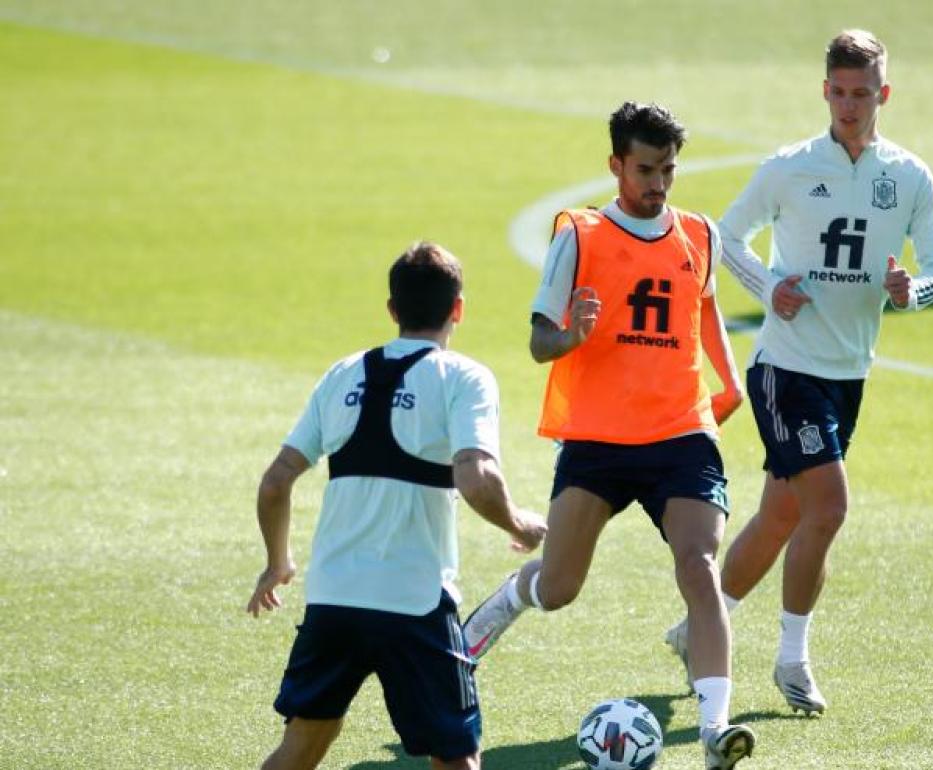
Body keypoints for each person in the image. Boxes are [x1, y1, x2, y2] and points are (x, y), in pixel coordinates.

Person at [665, 29, 933, 716]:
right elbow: (723, 236)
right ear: (824, 91)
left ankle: (695, 629)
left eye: (862, 94)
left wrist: (912, 290)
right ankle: (792, 660)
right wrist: (769, 289)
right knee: (829, 506)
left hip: (848, 372)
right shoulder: (790, 166)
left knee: (779, 516)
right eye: (839, 92)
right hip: (784, 368)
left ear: (883, 95)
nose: (849, 106)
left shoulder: (909, 177)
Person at [461, 101, 756, 770]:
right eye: (645, 170)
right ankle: (492, 614)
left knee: (699, 565)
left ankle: (716, 730)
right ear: (616, 165)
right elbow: (540, 340)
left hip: (680, 435)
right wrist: (570, 336)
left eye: (668, 171)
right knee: (559, 587)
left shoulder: (698, 235)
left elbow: (704, 311)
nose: (657, 185)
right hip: (597, 440)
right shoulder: (581, 235)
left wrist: (727, 385)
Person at [246, 241, 547, 770]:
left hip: (334, 598)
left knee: (305, 743)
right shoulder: (464, 377)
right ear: (458, 308)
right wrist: (519, 521)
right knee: (456, 758)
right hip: (414, 603)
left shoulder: (342, 374)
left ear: (392, 310)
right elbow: (476, 478)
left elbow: (275, 483)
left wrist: (278, 562)